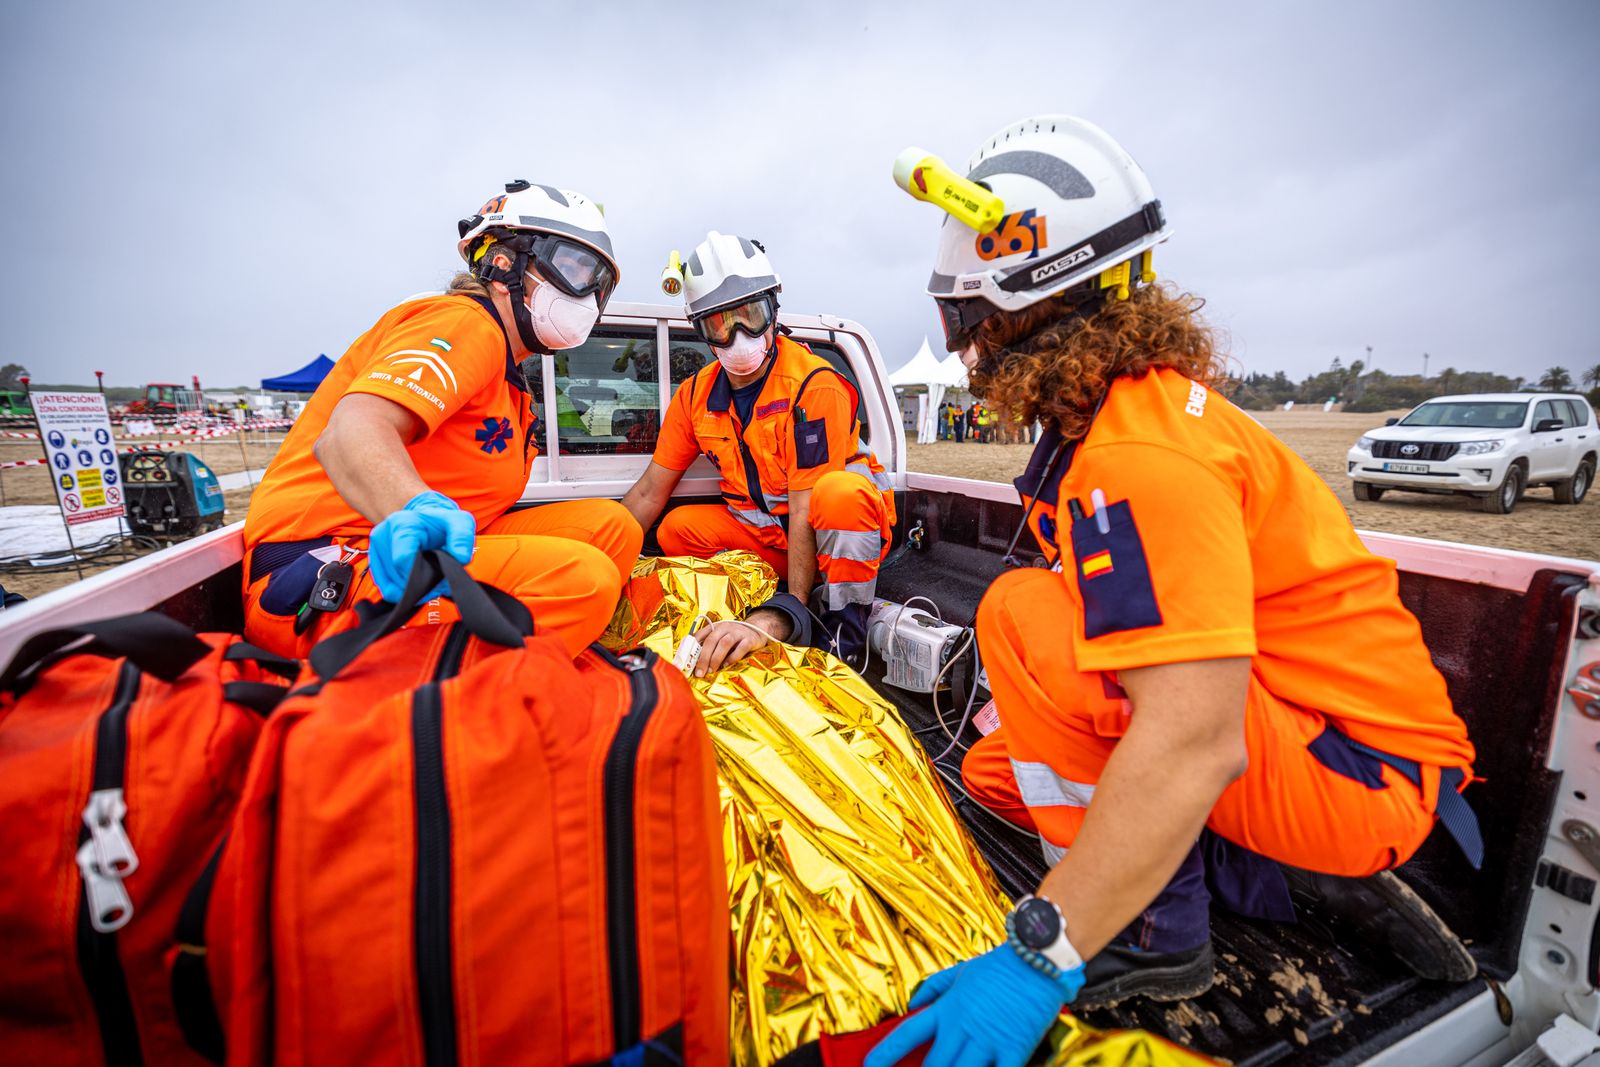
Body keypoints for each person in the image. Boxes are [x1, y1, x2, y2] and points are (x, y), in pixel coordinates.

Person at [867, 116, 1479, 1067]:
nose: (962, 356)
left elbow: (1192, 738)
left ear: (1029, 308)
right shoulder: (1127, 413)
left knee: (1016, 614)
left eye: (967, 321)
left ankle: (1154, 928)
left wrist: (1044, 951)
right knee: (996, 774)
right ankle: (1249, 859)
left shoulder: (1138, 454)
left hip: (1361, 774)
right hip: (1308, 732)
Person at [242, 180, 643, 659]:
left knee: (612, 527)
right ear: (503, 264)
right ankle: (470, 712)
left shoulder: (509, 379)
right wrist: (412, 508)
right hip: (330, 571)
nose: (589, 298)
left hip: (415, 552)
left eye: (602, 285)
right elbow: (350, 431)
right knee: (580, 581)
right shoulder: (463, 323)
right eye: (576, 271)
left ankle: (534, 669)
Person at [621, 231, 894, 670]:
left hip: (836, 542)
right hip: (774, 542)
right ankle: (750, 599)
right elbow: (650, 491)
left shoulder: (812, 383)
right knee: (676, 529)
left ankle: (844, 628)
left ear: (773, 310)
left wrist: (790, 613)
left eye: (750, 315)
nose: (738, 335)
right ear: (701, 331)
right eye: (719, 324)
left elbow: (805, 506)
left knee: (841, 495)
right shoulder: (695, 396)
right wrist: (602, 557)